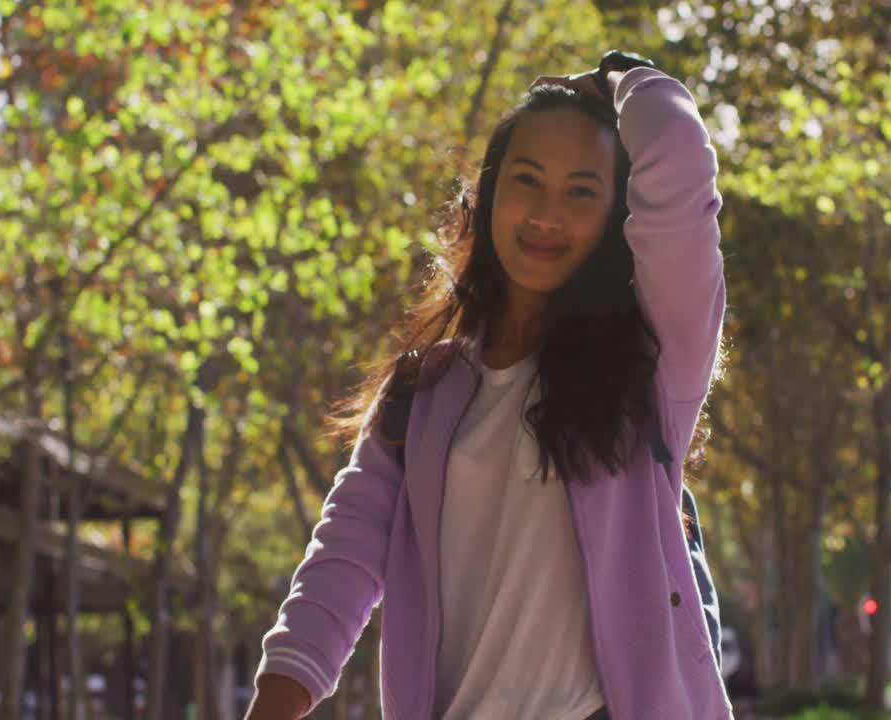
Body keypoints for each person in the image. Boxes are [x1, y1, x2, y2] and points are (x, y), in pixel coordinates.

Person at [245, 50, 733, 720]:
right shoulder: (422, 392)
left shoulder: (652, 367)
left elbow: (681, 164)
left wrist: (619, 78)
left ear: (617, 215)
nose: (546, 214)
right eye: (527, 181)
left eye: (582, 191)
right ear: (490, 191)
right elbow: (345, 552)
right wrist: (275, 700)